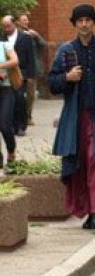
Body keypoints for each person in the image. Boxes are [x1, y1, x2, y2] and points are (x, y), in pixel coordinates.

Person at [47, 4, 95, 229]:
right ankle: (88, 210)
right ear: (75, 24)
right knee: (79, 164)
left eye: (88, 20)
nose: (84, 24)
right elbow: (52, 83)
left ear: (94, 22)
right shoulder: (65, 51)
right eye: (80, 20)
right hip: (75, 119)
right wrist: (67, 77)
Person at [2, 14, 35, 137]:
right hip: (6, 73)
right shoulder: (1, 38)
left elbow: (31, 57)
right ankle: (10, 126)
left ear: (14, 24)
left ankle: (21, 126)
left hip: (22, 73)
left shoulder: (25, 38)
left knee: (20, 98)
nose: (6, 29)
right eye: (4, 27)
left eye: (8, 26)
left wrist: (31, 75)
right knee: (9, 100)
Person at [17, 13, 47, 125]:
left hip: (32, 69)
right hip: (19, 69)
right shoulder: (16, 35)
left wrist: (37, 36)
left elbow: (43, 46)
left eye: (27, 20)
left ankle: (28, 117)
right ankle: (19, 117)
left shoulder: (32, 34)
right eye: (24, 20)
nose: (26, 22)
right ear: (18, 22)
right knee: (19, 95)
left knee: (30, 94)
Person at [0, 32, 19, 173]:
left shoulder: (4, 44)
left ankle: (11, 151)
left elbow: (14, 60)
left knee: (5, 124)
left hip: (6, 90)